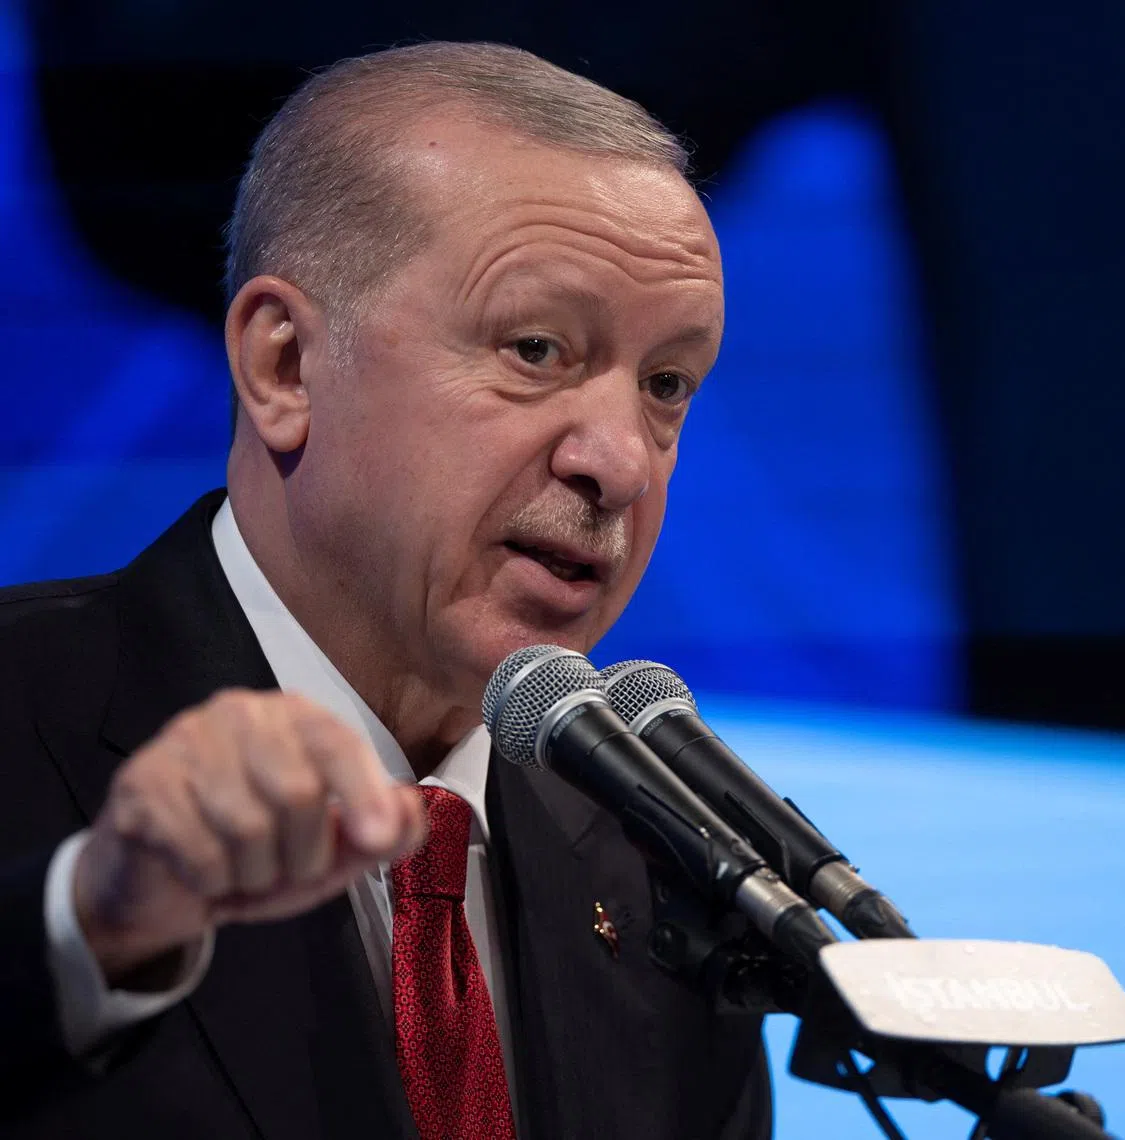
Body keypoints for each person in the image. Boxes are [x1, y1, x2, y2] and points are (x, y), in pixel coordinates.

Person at [0, 42, 770, 1139]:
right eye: (538, 347)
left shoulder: (667, 874)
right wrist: (95, 917)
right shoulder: (24, 715)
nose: (622, 462)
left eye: (665, 386)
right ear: (283, 366)